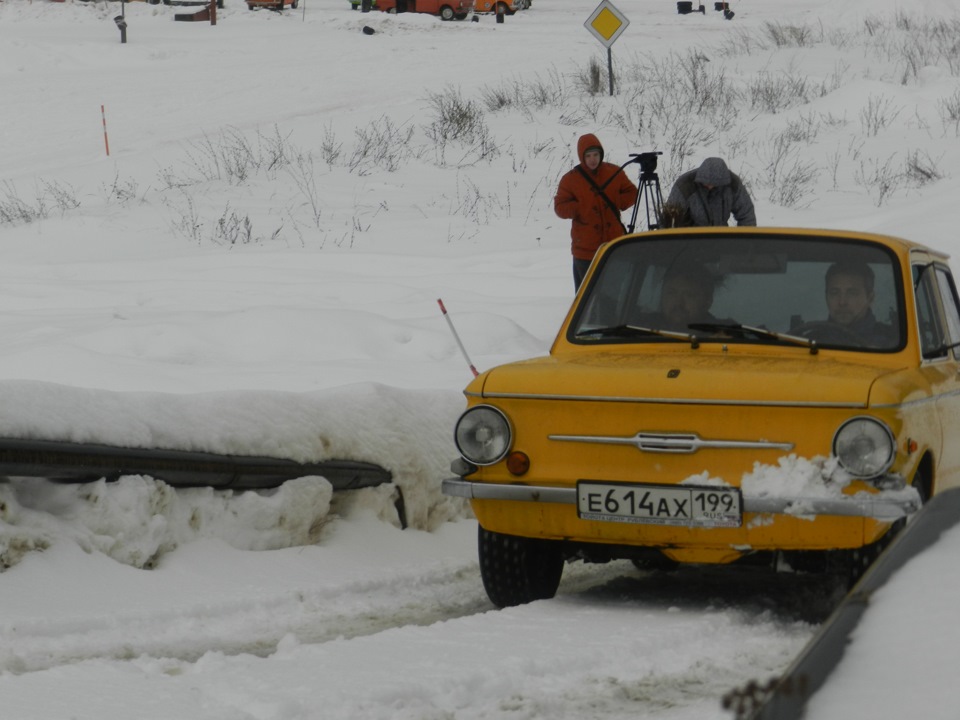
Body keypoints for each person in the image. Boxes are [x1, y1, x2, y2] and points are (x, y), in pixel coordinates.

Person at [554, 133, 638, 291]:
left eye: (596, 155)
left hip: (613, 246)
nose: (593, 159)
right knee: (587, 297)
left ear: (601, 154)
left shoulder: (614, 172)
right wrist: (580, 208)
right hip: (585, 250)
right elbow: (559, 207)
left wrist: (617, 202)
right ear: (582, 157)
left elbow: (632, 193)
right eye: (588, 156)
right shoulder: (570, 180)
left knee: (614, 294)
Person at [663, 157, 756, 228]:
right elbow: (670, 218)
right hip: (690, 242)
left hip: (720, 240)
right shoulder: (685, 185)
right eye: (705, 183)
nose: (709, 186)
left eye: (714, 184)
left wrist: (744, 244)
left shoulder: (733, 184)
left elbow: (747, 215)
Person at [635, 263, 732, 330]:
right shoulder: (641, 328)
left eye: (689, 295)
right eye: (671, 293)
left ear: (707, 302)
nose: (678, 302)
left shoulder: (725, 335)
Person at [822, 261, 897, 346]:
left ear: (870, 298)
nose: (842, 302)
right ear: (826, 297)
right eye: (834, 293)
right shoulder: (809, 341)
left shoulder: (893, 343)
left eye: (852, 293)